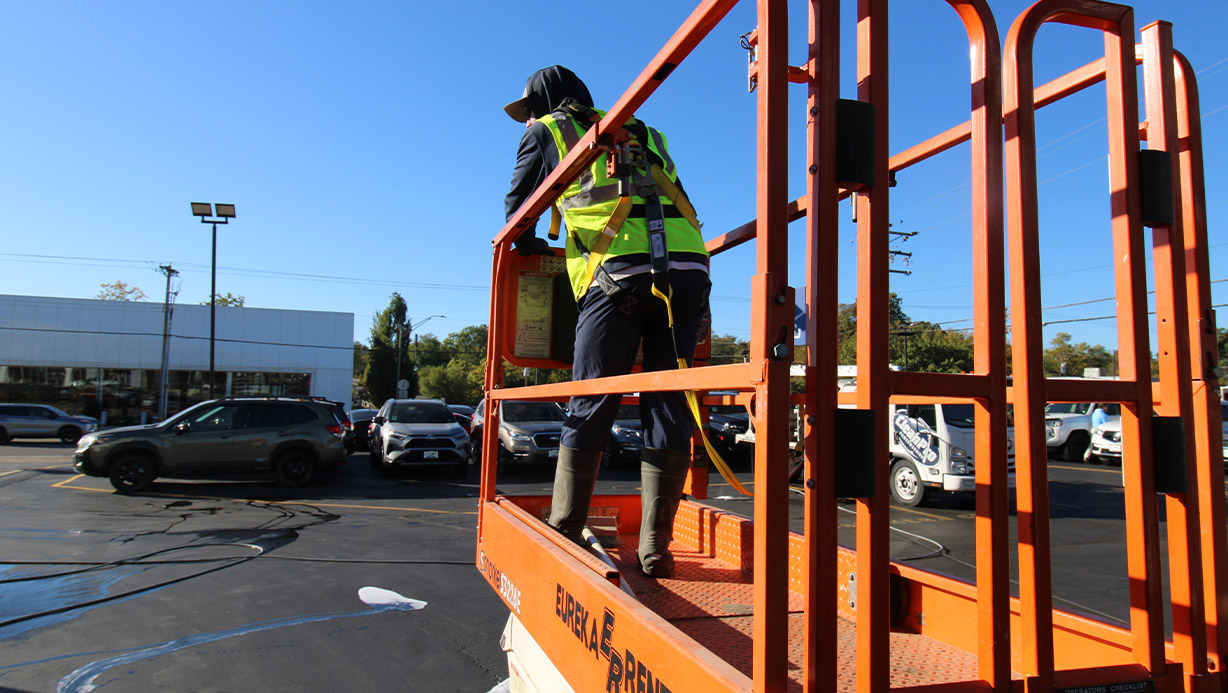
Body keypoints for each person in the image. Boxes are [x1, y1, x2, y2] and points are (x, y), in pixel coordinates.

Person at [504, 66, 711, 578]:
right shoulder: (647, 130)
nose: (525, 119)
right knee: (667, 407)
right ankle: (656, 550)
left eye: (526, 110)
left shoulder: (545, 131)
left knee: (591, 399)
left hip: (617, 273)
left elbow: (517, 212)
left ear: (541, 103)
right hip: (688, 273)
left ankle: (566, 526)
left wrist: (528, 245)